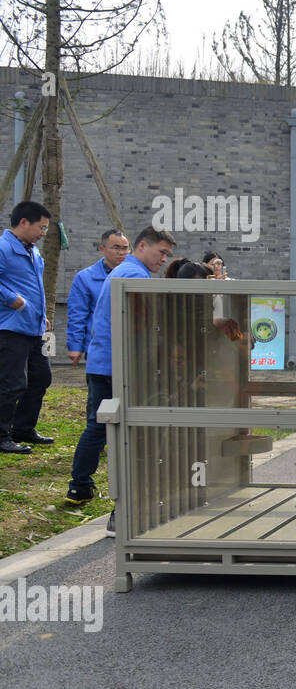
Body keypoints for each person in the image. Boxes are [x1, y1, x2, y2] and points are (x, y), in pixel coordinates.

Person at [67, 227, 177, 539]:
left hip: (105, 363)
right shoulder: (135, 277)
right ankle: (122, 510)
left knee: (100, 427)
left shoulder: (125, 271)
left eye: (167, 255)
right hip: (120, 367)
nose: (163, 259)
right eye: (161, 253)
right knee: (124, 434)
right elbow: (146, 328)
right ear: (143, 246)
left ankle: (81, 486)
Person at [0, 201, 54, 455]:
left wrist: (42, 315)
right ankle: (1, 435)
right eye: (41, 227)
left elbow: (35, 287)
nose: (44, 233)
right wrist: (13, 300)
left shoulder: (32, 250)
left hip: (33, 327)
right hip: (10, 328)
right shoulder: (3, 247)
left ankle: (23, 428)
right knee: (12, 383)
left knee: (41, 377)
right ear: (23, 222)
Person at [67, 229, 130, 366]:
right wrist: (75, 346)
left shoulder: (134, 275)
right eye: (116, 248)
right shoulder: (85, 278)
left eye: (125, 248)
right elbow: (77, 314)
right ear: (102, 249)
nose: (121, 253)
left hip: (129, 344)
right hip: (98, 346)